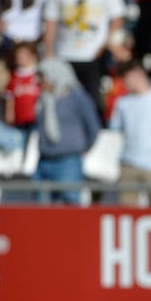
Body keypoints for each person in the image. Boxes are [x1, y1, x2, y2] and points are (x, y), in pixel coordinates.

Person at [43, 0, 124, 105]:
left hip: (92, 55)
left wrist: (104, 45)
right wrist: (49, 50)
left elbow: (117, 18)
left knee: (92, 100)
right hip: (64, 53)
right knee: (62, 99)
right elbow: (51, 20)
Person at [108, 58, 151, 205]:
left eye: (126, 78)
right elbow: (114, 131)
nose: (125, 83)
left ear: (138, 74)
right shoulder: (122, 103)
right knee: (127, 213)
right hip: (128, 163)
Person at [32, 57, 101, 203]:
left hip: (68, 160)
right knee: (40, 206)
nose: (41, 82)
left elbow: (93, 127)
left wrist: (82, 147)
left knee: (69, 204)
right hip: (44, 160)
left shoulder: (78, 97)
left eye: (43, 78)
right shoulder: (42, 100)